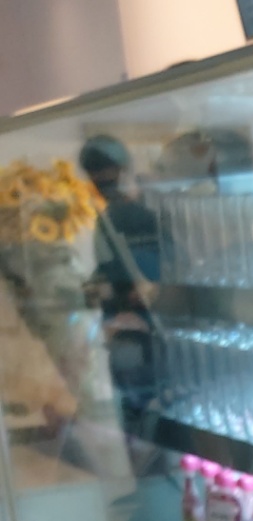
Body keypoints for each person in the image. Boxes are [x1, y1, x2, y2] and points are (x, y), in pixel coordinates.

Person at [80, 135, 161, 439]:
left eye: (107, 173)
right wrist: (99, 290)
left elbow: (169, 268)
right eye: (96, 175)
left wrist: (152, 294)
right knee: (130, 407)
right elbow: (109, 270)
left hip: (150, 328)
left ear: (124, 169)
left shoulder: (147, 212)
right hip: (124, 330)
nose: (102, 181)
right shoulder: (106, 218)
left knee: (147, 406)